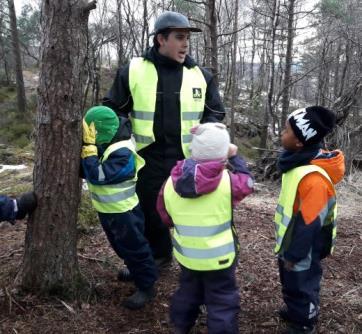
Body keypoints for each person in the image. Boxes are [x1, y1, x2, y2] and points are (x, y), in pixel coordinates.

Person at [102, 11, 225, 272]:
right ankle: (158, 256)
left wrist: (208, 132)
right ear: (161, 39)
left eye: (187, 38)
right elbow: (114, 108)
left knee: (192, 213)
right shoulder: (134, 70)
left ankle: (198, 266)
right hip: (148, 158)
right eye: (179, 37)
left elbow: (215, 112)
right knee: (149, 211)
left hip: (189, 161)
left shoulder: (201, 75)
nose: (186, 44)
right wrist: (124, 139)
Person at [156, 123, 254, 334]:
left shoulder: (171, 182)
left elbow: (164, 214)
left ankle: (180, 325)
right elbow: (248, 183)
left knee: (188, 290)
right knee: (222, 299)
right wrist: (236, 157)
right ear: (223, 156)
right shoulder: (229, 182)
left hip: (187, 255)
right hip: (220, 258)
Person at [275, 106, 345, 334]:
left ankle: (305, 321)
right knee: (290, 280)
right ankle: (297, 310)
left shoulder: (314, 179)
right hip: (292, 238)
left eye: (286, 131)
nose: (281, 134)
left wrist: (294, 254)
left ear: (299, 142)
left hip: (304, 245)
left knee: (302, 283)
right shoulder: (297, 162)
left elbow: (310, 222)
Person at [81, 106, 158, 310]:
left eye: (91, 132)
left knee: (135, 248)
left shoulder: (122, 152)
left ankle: (147, 286)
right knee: (120, 246)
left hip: (124, 212)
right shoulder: (108, 143)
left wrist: (89, 150)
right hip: (109, 211)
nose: (89, 137)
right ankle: (135, 270)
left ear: (101, 131)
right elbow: (87, 171)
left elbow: (99, 175)